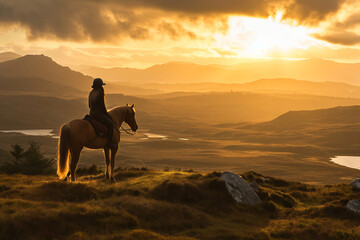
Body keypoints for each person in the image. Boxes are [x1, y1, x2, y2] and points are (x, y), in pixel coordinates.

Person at [88, 78, 115, 147]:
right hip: (98, 114)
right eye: (101, 85)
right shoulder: (100, 92)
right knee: (110, 125)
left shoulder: (91, 92)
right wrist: (106, 114)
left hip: (91, 113)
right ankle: (109, 143)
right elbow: (102, 105)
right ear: (100, 85)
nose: (102, 87)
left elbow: (89, 105)